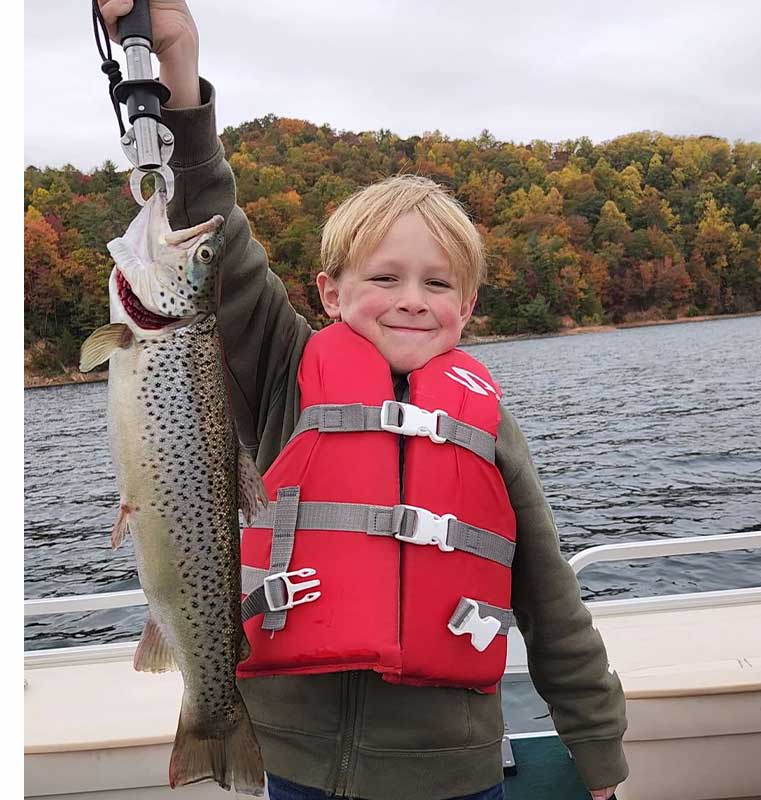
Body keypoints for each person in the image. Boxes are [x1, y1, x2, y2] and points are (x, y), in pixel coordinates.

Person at [99, 2, 629, 799]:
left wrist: (598, 755)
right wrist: (177, 65)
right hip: (297, 763)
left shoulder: (489, 429)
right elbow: (215, 226)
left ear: (469, 306)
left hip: (452, 772)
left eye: (438, 283)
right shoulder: (285, 370)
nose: (411, 299)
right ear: (330, 292)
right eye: (383, 279)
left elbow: (554, 607)